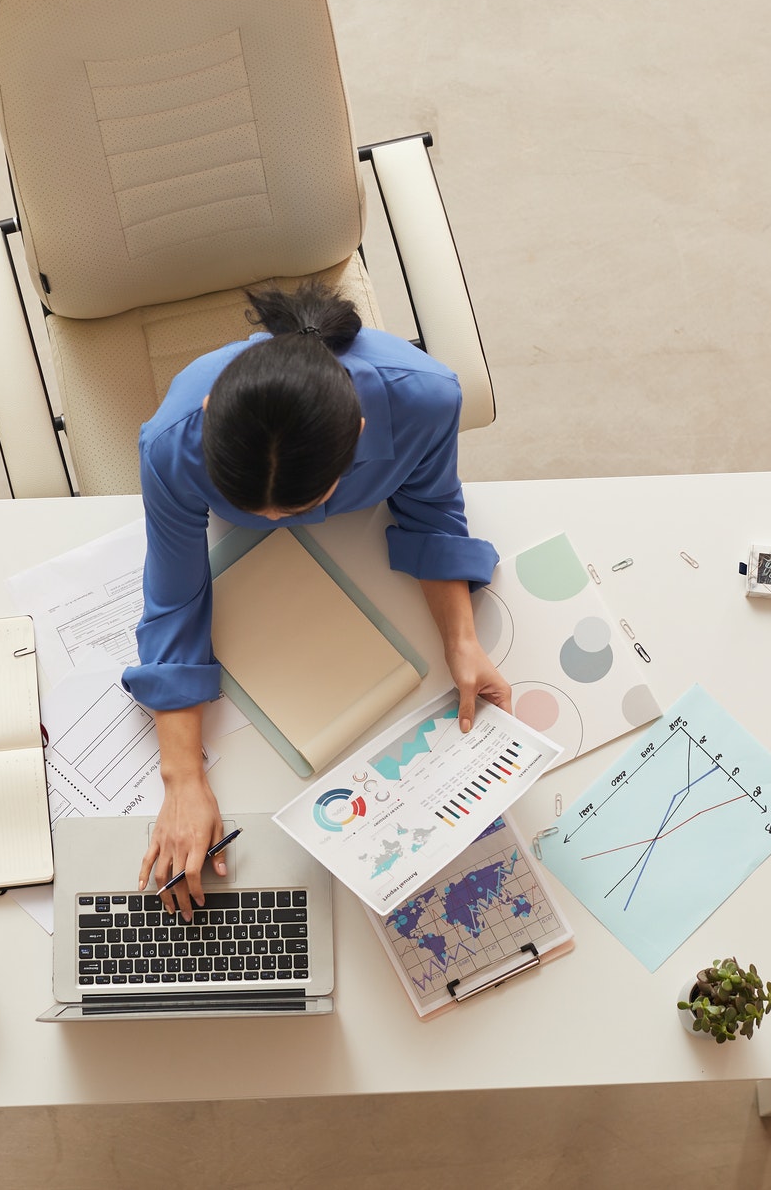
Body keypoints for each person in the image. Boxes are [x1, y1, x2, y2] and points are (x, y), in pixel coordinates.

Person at [122, 279, 507, 919]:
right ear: (213, 410)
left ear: (356, 435)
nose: (275, 519)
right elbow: (174, 601)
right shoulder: (171, 444)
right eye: (252, 510)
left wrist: (462, 641)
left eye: (297, 509)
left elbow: (432, 511)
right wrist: (182, 779)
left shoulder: (428, 400)